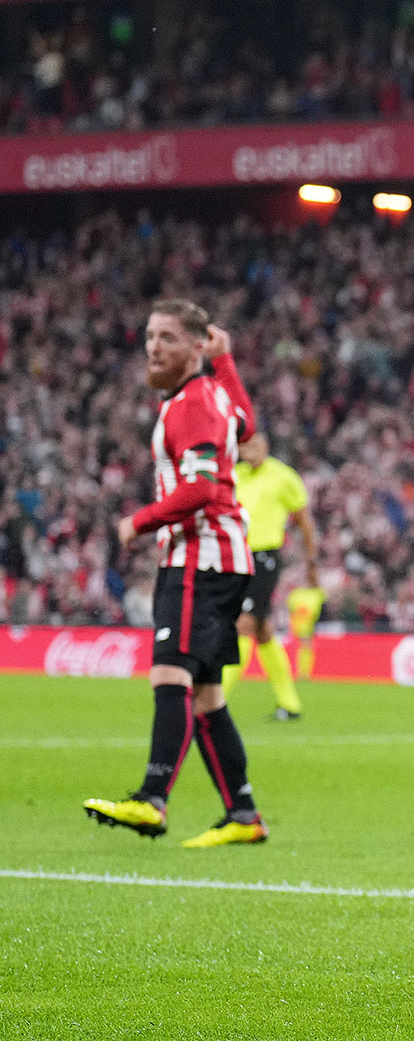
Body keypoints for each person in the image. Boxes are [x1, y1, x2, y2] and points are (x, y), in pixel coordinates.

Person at [83, 301, 271, 849]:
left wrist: (135, 523)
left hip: (199, 556)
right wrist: (228, 360)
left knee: (170, 674)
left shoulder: (191, 403)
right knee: (208, 695)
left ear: (195, 347)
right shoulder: (213, 395)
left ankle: (152, 799)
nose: (153, 347)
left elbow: (201, 490)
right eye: (149, 337)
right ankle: (243, 812)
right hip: (223, 557)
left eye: (167, 337)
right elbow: (247, 424)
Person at [223, 431, 317, 720]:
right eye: (244, 445)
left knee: (243, 624)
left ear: (265, 446)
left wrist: (311, 558)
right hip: (237, 558)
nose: (248, 450)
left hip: (264, 558)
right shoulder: (234, 475)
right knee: (262, 632)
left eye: (254, 444)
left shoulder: (282, 476)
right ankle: (289, 704)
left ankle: (214, 702)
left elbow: (303, 519)